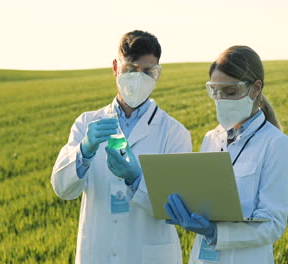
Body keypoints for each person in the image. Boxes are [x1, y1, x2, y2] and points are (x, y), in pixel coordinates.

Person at [51, 30, 191, 264]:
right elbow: (63, 189)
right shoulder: (87, 123)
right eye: (130, 69)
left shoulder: (174, 133)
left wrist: (137, 179)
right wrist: (83, 152)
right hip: (97, 253)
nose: (139, 78)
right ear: (116, 67)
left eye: (147, 71)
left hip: (149, 255)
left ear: (158, 73)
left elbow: (176, 208)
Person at [164, 46, 288, 263]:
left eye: (230, 92)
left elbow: (272, 225)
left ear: (255, 89)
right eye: (215, 92)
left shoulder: (277, 145)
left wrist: (215, 232)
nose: (221, 100)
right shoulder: (211, 138)